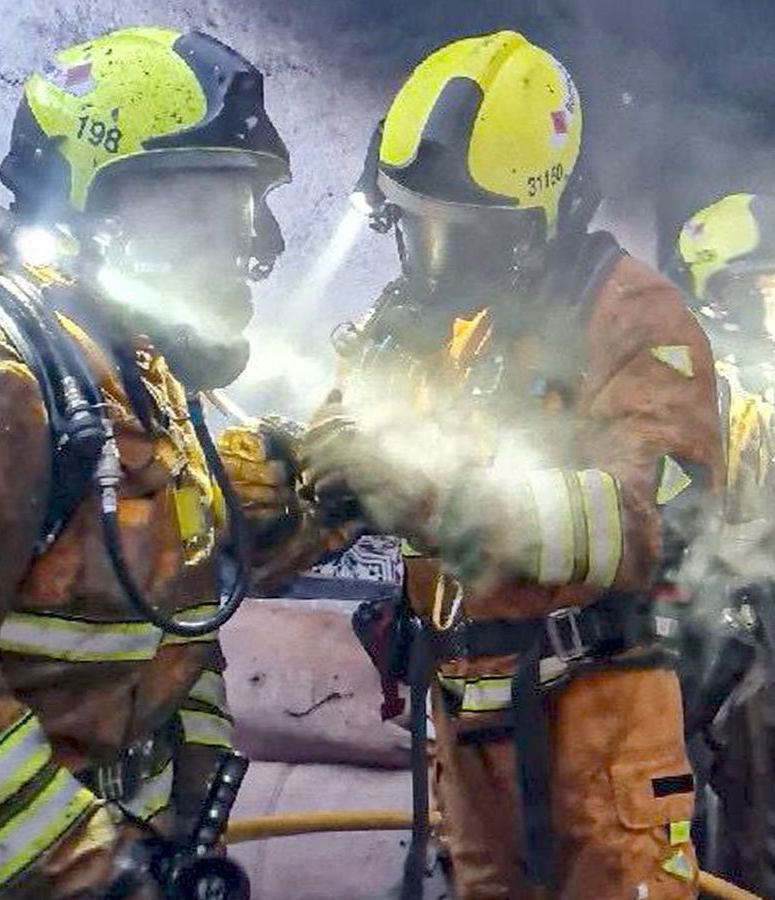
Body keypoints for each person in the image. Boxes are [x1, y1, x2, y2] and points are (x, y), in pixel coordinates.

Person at [290, 31, 725, 899]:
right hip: (465, 732)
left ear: (544, 217)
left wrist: (436, 499)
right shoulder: (421, 323)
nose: (437, 262)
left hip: (598, 731)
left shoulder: (633, 315)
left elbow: (657, 520)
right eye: (416, 229)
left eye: (468, 238)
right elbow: (337, 442)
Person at [0, 27, 292, 898]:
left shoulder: (135, 377)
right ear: (93, 206)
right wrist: (97, 873)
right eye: (210, 207)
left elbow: (172, 619)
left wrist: (185, 816)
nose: (250, 244)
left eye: (246, 208)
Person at [671, 192, 775, 898]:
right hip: (668, 633)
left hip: (754, 628)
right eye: (762, 287)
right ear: (716, 292)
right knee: (664, 816)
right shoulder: (673, 384)